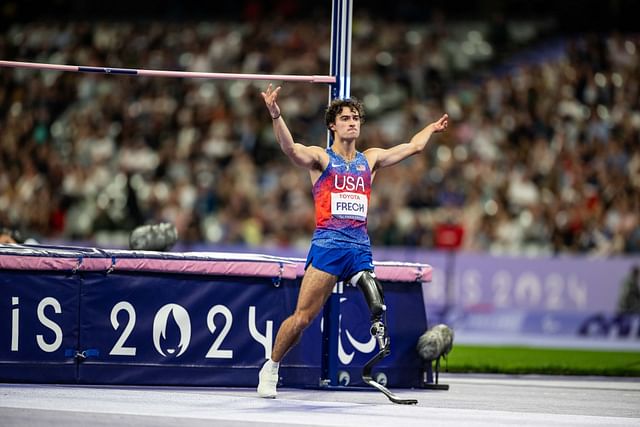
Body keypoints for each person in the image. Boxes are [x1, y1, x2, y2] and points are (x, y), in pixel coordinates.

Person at [257, 84, 448, 398]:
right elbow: (291, 149)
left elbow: (413, 147)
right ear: (333, 125)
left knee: (375, 296)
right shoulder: (322, 158)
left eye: (356, 118)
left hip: (359, 247)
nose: (352, 122)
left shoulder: (369, 160)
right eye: (346, 118)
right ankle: (272, 366)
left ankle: (377, 327)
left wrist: (429, 128)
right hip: (328, 246)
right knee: (303, 317)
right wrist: (276, 114)